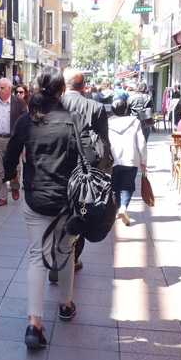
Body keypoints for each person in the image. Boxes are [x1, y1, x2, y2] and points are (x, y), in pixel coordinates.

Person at [2, 66, 84, 349]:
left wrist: (12, 178)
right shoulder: (73, 119)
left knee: (37, 257)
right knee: (65, 250)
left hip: (36, 198)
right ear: (62, 90)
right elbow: (89, 158)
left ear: (37, 88)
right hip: (67, 200)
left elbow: (10, 159)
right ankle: (65, 304)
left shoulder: (26, 121)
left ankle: (34, 324)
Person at [59, 68, 111, 273]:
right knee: (80, 211)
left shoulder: (56, 105)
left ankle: (60, 255)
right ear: (83, 87)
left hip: (59, 165)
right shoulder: (96, 107)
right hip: (85, 171)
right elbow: (104, 145)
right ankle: (73, 256)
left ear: (64, 86)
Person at [0, 77, 28, 206]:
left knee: (15, 167)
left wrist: (24, 140)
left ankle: (15, 186)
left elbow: (25, 122)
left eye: (2, 88)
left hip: (13, 140)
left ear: (9, 89)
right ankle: (2, 196)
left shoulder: (19, 103)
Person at [108, 98, 147, 226]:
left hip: (112, 160)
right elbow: (141, 142)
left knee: (115, 185)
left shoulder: (107, 123)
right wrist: (143, 160)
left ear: (112, 110)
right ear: (125, 109)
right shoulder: (134, 122)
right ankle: (123, 207)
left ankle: (117, 209)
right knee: (127, 185)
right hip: (130, 158)